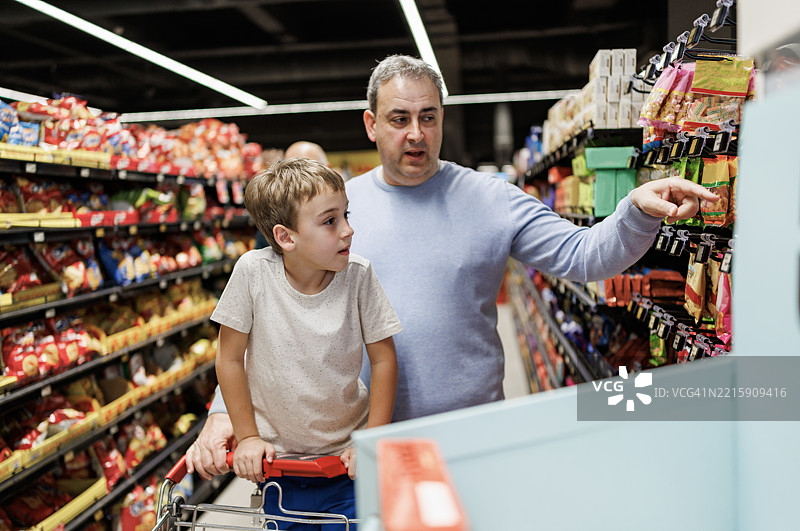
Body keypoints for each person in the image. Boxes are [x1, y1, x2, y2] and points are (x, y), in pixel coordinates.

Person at [187, 54, 718, 478]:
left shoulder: (492, 198)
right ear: (372, 125)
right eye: (399, 119)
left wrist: (637, 212)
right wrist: (220, 415)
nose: (415, 133)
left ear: (443, 119)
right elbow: (268, 325)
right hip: (359, 446)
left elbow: (583, 256)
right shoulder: (332, 213)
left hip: (471, 436)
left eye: (428, 116)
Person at [213, 157, 401, 528]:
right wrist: (248, 436)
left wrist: (371, 439)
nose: (348, 230)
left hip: (347, 466)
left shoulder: (359, 276)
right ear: (286, 237)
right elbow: (229, 358)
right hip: (279, 470)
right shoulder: (252, 273)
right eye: (330, 221)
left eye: (346, 215)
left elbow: (384, 360)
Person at [255, 141, 329, 249]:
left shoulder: (350, 203)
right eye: (289, 171)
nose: (299, 179)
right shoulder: (276, 217)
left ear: (328, 169)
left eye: (308, 170)